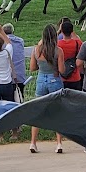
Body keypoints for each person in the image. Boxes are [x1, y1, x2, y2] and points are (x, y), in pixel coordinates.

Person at [29, 24, 64, 154]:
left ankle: (33, 142)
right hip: (54, 80)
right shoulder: (58, 51)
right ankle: (59, 143)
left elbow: (32, 68)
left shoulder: (37, 50)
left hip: (41, 79)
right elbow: (61, 70)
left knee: (38, 111)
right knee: (58, 112)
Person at [3, 23, 27, 100]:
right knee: (19, 99)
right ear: (13, 31)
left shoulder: (2, 43)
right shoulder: (20, 41)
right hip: (20, 76)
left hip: (7, 78)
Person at [57, 20, 83, 90]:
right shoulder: (78, 43)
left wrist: (58, 31)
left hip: (61, 77)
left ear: (62, 31)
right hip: (75, 77)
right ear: (72, 31)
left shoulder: (57, 44)